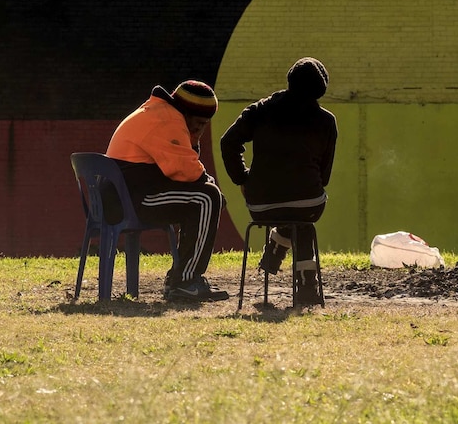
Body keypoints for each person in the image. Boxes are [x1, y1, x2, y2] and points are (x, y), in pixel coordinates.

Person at [219, 57, 337, 305]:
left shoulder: (260, 110)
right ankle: (306, 287)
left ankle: (276, 250)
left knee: (291, 213)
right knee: (301, 218)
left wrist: (242, 178)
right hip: (309, 203)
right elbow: (324, 176)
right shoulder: (326, 121)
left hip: (263, 205)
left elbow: (228, 142)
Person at [106, 80, 229, 301]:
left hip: (122, 197)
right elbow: (188, 172)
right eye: (199, 124)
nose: (200, 130)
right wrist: (214, 189)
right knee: (207, 198)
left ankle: (180, 277)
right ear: (187, 114)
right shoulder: (168, 120)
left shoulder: (157, 111)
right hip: (132, 201)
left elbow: (180, 174)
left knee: (202, 197)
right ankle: (186, 281)